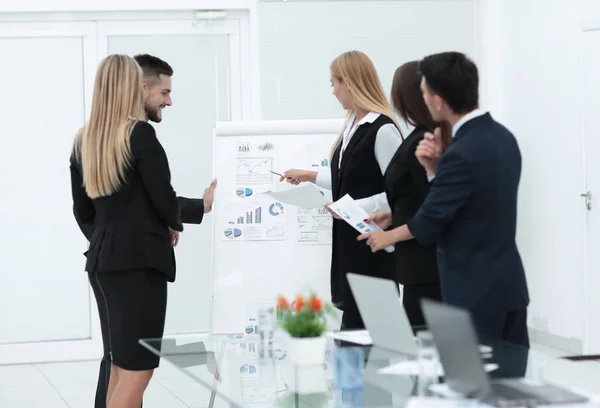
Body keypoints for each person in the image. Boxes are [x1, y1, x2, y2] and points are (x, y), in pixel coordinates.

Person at [358, 52, 530, 347]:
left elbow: (428, 222)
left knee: (472, 387)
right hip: (508, 285)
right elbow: (472, 202)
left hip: (474, 291)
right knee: (508, 384)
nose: (422, 100)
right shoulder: (503, 137)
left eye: (424, 93)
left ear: (438, 100)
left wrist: (387, 237)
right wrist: (435, 171)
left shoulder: (460, 153)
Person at [81, 54, 217, 408]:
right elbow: (162, 199)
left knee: (119, 364)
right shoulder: (139, 133)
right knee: (139, 369)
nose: (169, 100)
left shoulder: (85, 139)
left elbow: (85, 212)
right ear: (133, 85)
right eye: (165, 92)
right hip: (139, 267)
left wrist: (115, 240)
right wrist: (186, 213)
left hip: (102, 264)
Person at [281, 51, 403, 329]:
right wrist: (310, 176)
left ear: (350, 83)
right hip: (349, 248)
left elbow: (398, 194)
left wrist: (352, 207)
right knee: (354, 338)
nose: (333, 92)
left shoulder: (383, 130)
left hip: (373, 250)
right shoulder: (351, 126)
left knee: (371, 340)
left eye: (334, 83)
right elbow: (348, 176)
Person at [365, 61, 451, 326]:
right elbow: (418, 197)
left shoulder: (425, 142)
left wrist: (388, 235)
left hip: (426, 264)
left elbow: (431, 208)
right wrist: (391, 214)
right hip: (416, 263)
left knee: (425, 347)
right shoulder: (418, 136)